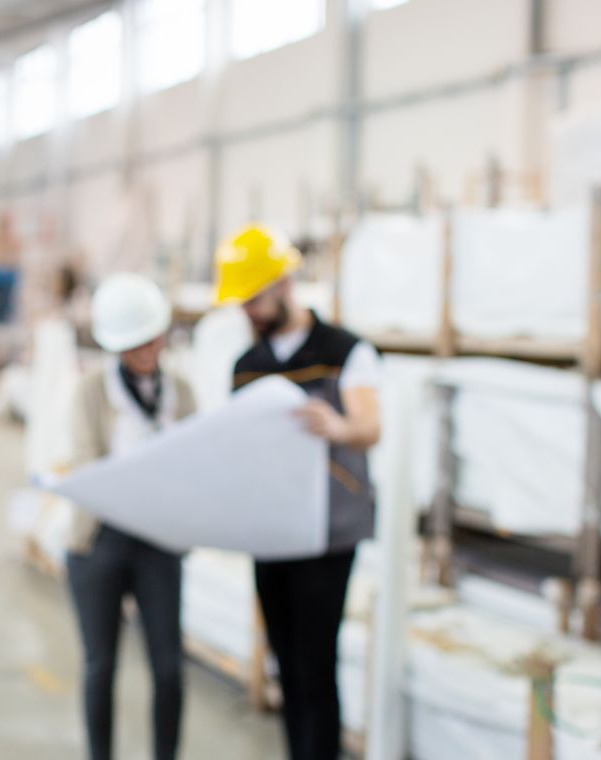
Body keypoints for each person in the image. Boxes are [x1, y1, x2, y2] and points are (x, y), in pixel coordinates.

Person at [214, 224, 381, 760]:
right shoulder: (247, 365)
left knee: (316, 663)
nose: (249, 312)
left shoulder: (344, 351)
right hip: (274, 530)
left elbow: (370, 427)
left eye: (255, 298)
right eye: (242, 303)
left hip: (326, 536)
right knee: (285, 660)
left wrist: (334, 426)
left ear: (284, 284)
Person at [67, 273, 195, 760]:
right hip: (100, 541)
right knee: (101, 666)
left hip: (158, 542)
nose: (145, 350)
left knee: (168, 667)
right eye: (133, 343)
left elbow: (194, 461)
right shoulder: (91, 393)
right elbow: (87, 465)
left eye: (151, 339)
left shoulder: (179, 392)